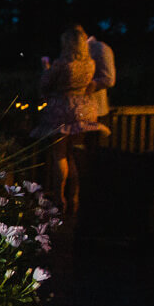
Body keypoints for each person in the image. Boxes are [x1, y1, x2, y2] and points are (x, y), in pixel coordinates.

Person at [34, 25, 102, 222]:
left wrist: (45, 68)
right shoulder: (90, 63)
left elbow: (45, 83)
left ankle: (59, 197)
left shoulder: (62, 63)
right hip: (84, 109)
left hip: (61, 108)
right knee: (76, 154)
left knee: (60, 154)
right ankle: (75, 196)